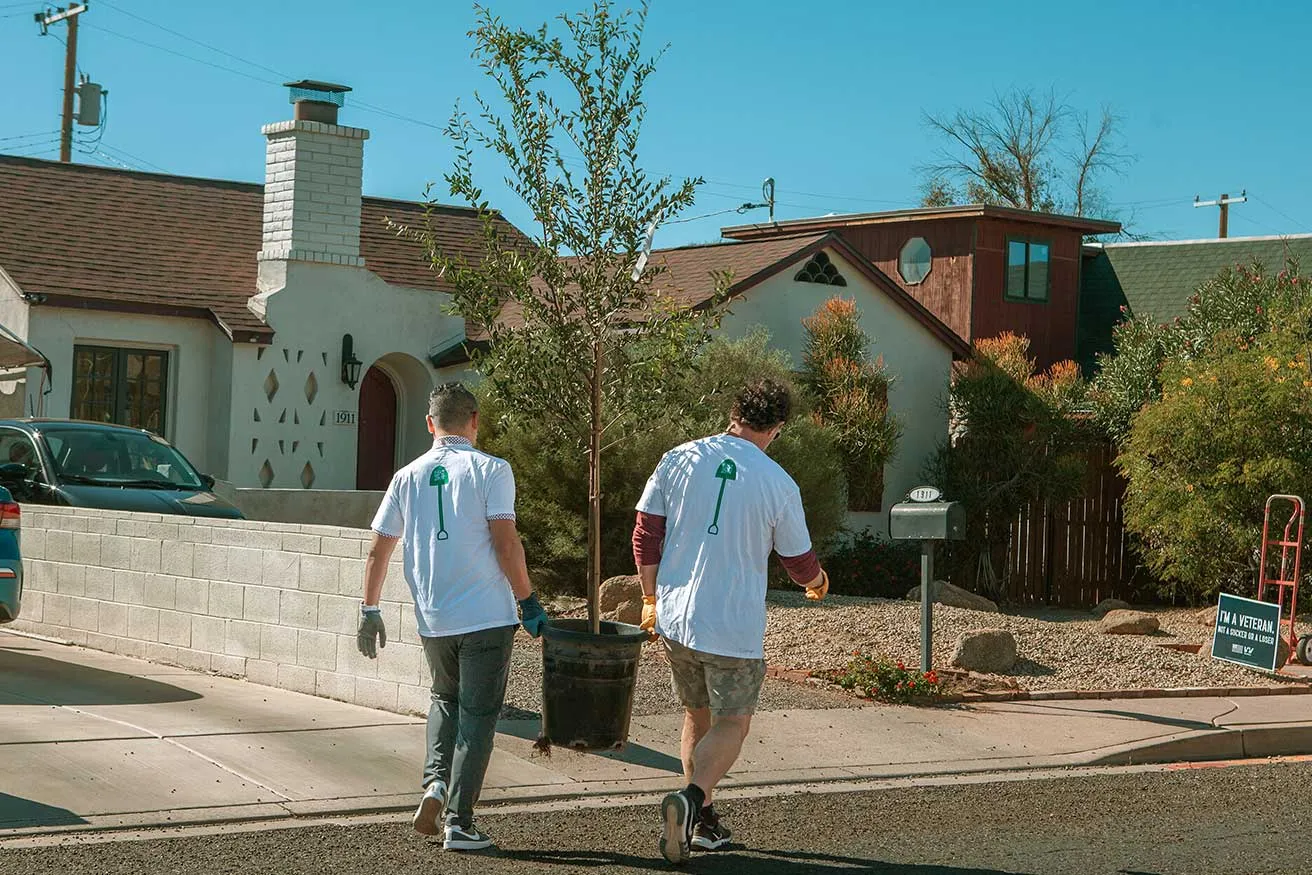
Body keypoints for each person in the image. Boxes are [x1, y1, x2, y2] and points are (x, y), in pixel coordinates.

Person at [633, 379, 829, 865]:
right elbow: (797, 560)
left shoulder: (679, 458)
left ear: (733, 411)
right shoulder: (778, 482)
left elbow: (645, 533)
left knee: (696, 715)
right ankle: (691, 800)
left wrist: (650, 597)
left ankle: (705, 825)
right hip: (731, 626)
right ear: (778, 428)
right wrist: (820, 580)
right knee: (733, 723)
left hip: (676, 617)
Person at [357, 382, 548, 852]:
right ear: (475, 421)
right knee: (479, 716)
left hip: (433, 617)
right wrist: (527, 600)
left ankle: (434, 786)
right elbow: (507, 543)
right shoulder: (492, 470)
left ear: (430, 424)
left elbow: (378, 547)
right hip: (485, 616)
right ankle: (460, 823)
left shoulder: (406, 476)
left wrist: (370, 609)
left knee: (444, 699)